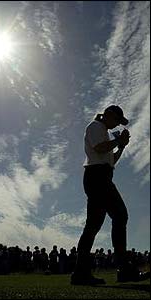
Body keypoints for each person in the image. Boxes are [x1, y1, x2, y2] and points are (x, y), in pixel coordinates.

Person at [71, 105, 149, 285]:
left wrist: (120, 146)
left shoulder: (104, 131)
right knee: (120, 215)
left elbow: (110, 159)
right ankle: (124, 269)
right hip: (97, 177)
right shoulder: (95, 127)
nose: (116, 125)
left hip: (100, 175)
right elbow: (99, 148)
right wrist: (118, 141)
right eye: (117, 121)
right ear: (109, 115)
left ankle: (80, 273)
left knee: (92, 226)